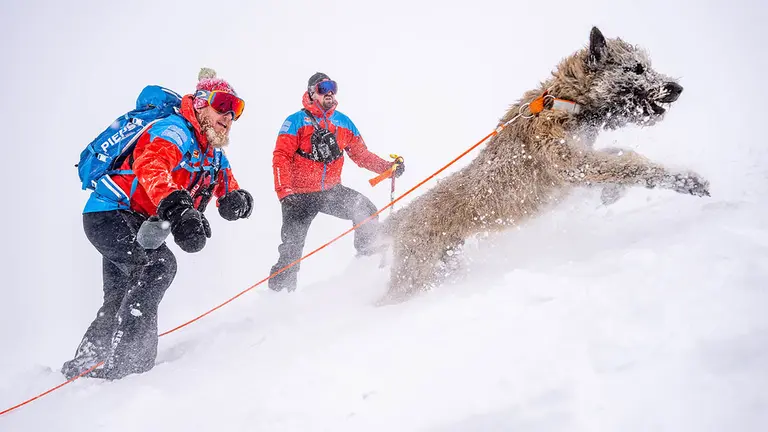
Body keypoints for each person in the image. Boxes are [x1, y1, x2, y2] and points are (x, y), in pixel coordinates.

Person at [61, 68, 253, 380]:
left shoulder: (212, 153)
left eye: (237, 109)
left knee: (121, 294)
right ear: (201, 103)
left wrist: (237, 201)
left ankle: (82, 367)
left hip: (140, 224)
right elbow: (151, 164)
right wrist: (180, 211)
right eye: (223, 105)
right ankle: (128, 368)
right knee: (158, 267)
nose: (230, 115)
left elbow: (227, 186)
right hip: (109, 215)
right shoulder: (175, 130)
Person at [269, 72, 405, 292]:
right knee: (291, 250)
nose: (329, 92)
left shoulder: (343, 122)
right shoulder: (294, 122)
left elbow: (361, 154)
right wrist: (285, 193)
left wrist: (387, 168)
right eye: (323, 88)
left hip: (330, 192)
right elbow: (280, 157)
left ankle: (367, 262)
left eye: (333, 87)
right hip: (298, 197)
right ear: (312, 93)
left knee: (366, 210)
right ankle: (279, 296)